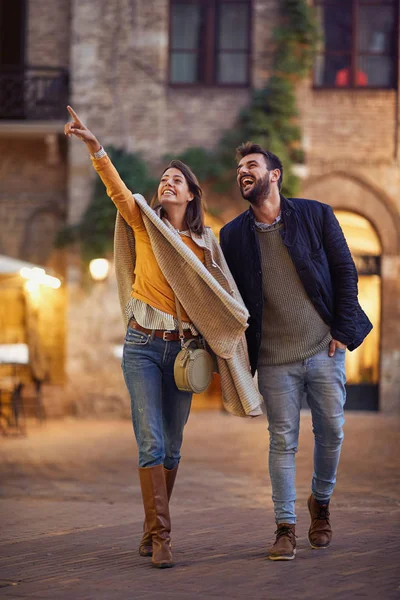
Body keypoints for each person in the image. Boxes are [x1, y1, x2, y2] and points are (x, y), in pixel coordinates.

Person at [64, 108, 262, 569]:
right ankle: (162, 537)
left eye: (177, 180)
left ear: (191, 193)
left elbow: (224, 297)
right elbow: (116, 188)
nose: (167, 183)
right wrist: (96, 146)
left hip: (184, 353)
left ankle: (152, 529)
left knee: (173, 447)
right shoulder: (145, 226)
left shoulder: (205, 245)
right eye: (164, 179)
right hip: (142, 346)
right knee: (151, 442)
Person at [220, 142, 372, 561]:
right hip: (273, 359)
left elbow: (344, 271)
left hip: (324, 348)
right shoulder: (232, 235)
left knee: (332, 432)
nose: (243, 172)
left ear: (275, 174)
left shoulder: (316, 213)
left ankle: (319, 504)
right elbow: (227, 296)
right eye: (239, 168)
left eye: (252, 165)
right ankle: (284, 527)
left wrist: (341, 329)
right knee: (282, 440)